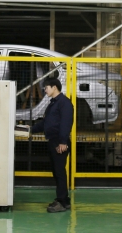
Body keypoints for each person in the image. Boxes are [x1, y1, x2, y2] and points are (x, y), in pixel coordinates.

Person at [32, 76, 73, 213]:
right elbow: (46, 123)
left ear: (54, 87)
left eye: (46, 87)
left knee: (59, 172)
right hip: (53, 141)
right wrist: (30, 129)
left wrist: (63, 141)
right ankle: (64, 200)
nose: (45, 90)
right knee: (56, 171)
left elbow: (66, 123)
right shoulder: (53, 103)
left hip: (59, 142)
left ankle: (61, 202)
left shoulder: (64, 103)